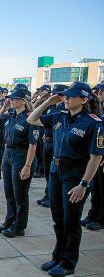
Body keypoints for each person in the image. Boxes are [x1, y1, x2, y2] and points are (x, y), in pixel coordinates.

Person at [27, 82, 104, 277]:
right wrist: (48, 101)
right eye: (65, 96)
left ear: (84, 99)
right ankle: (58, 256)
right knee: (57, 218)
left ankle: (68, 262)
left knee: (71, 221)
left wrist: (84, 184)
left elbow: (96, 157)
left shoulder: (93, 123)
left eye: (71, 96)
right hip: (55, 171)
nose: (66, 98)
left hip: (75, 175)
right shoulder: (59, 116)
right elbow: (31, 119)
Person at [0, 87, 38, 237]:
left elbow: (33, 144)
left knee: (20, 194)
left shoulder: (30, 118)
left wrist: (27, 166)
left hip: (22, 155)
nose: (10, 100)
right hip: (8, 154)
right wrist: (3, 108)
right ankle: (9, 220)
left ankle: (19, 226)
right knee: (9, 192)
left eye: (14, 99)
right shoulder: (9, 114)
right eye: (9, 98)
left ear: (23, 100)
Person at [35, 84, 67, 208]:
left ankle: (53, 196)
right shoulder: (52, 107)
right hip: (47, 141)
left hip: (56, 143)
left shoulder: (65, 110)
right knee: (48, 170)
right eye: (53, 94)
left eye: (57, 94)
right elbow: (34, 112)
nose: (54, 96)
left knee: (55, 172)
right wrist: (46, 101)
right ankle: (48, 194)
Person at [81, 83, 104, 231]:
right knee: (96, 187)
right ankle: (93, 214)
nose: (99, 93)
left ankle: (101, 219)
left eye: (102, 91)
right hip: (98, 156)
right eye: (98, 90)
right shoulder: (100, 110)